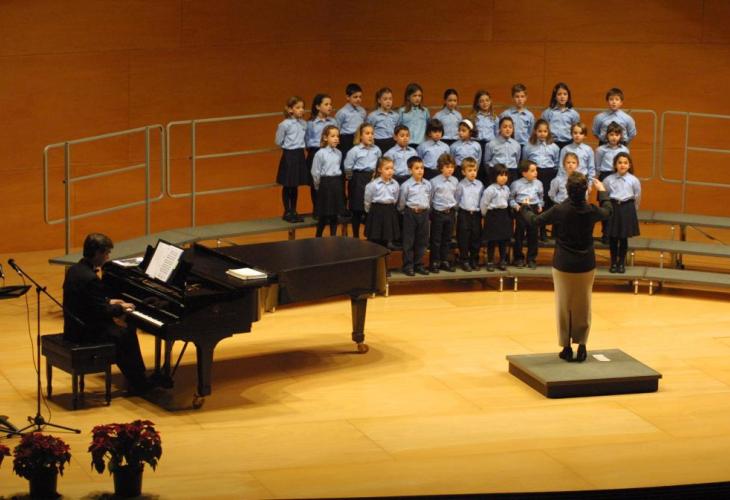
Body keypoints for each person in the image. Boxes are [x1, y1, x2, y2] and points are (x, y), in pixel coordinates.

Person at [520, 173, 612, 362]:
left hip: (564, 264)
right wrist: (602, 192)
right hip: (586, 264)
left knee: (563, 305)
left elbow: (535, 221)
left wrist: (525, 208)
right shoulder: (590, 210)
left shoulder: (560, 210)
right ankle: (583, 345)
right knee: (584, 304)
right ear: (586, 190)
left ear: (568, 190)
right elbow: (608, 211)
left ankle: (566, 347)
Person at [63, 233, 149, 394]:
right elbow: (101, 312)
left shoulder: (75, 270)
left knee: (123, 332)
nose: (108, 257)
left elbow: (87, 300)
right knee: (126, 334)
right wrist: (121, 308)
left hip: (73, 327)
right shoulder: (91, 278)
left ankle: (136, 379)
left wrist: (109, 300)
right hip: (85, 333)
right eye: (107, 253)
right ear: (97, 253)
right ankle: (139, 383)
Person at [604, 152, 641, 273]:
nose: (622, 165)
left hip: (627, 208)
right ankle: (613, 263)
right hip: (614, 207)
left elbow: (637, 196)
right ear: (615, 165)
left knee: (623, 238)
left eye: (625, 163)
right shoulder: (608, 180)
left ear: (629, 165)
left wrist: (633, 210)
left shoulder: (634, 180)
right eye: (619, 162)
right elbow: (605, 194)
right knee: (613, 238)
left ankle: (621, 263)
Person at [523, 118, 559, 240]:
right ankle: (530, 230)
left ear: (548, 132)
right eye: (540, 131)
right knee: (533, 200)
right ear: (535, 131)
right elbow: (525, 162)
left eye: (545, 131)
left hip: (548, 174)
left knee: (545, 203)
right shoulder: (528, 146)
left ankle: (543, 231)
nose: (542, 134)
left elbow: (556, 163)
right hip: (534, 174)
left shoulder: (554, 147)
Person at [344, 123, 382, 238]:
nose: (370, 136)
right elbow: (348, 168)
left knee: (371, 209)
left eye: (372, 133)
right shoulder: (354, 150)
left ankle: (371, 236)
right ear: (360, 136)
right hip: (358, 180)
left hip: (372, 179)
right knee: (357, 209)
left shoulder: (377, 150)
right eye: (367, 133)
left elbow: (380, 164)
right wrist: (352, 180)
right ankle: (356, 236)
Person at [275, 96, 309, 222]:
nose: (301, 110)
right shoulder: (284, 125)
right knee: (288, 184)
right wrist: (288, 147)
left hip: (300, 154)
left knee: (295, 185)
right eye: (297, 107)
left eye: (302, 107)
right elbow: (278, 141)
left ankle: (294, 210)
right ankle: (287, 211)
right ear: (290, 110)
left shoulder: (304, 124)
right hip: (289, 155)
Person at [595, 122, 630, 242]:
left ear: (620, 136)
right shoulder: (600, 150)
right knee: (604, 207)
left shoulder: (624, 149)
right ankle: (605, 233)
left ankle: (615, 233)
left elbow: (626, 165)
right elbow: (597, 167)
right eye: (611, 134)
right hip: (605, 177)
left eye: (617, 135)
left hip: (618, 176)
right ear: (607, 136)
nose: (614, 137)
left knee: (616, 207)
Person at [398, 157, 432, 276]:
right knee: (409, 241)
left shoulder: (428, 184)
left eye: (422, 168)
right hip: (410, 213)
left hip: (424, 213)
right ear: (410, 170)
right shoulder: (406, 185)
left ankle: (418, 264)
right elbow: (402, 202)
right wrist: (405, 212)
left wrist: (426, 209)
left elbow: (429, 198)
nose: (420, 170)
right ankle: (408, 266)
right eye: (416, 168)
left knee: (422, 241)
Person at [306, 94, 337, 216]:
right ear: (318, 106)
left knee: (329, 182)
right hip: (315, 153)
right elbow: (307, 141)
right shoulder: (311, 123)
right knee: (316, 183)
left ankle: (328, 210)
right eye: (326, 104)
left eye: (330, 104)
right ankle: (317, 210)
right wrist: (320, 145)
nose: (330, 107)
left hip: (330, 153)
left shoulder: (333, 121)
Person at [311, 125, 344, 237]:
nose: (336, 139)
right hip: (325, 184)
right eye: (333, 136)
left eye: (337, 136)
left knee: (335, 214)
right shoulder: (320, 154)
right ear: (325, 138)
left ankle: (333, 237)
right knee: (324, 214)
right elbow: (315, 172)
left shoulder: (339, 153)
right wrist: (318, 186)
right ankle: (318, 236)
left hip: (336, 183)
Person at [510, 160, 543, 269]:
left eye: (536, 170)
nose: (536, 172)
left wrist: (540, 205)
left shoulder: (538, 183)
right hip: (522, 208)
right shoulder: (516, 184)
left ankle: (531, 259)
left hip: (533, 208)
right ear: (524, 173)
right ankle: (518, 258)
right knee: (519, 234)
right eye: (532, 171)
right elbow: (511, 198)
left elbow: (541, 197)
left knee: (533, 234)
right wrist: (516, 206)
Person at [429, 153, 459, 273]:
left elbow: (456, 196)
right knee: (436, 239)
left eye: (452, 167)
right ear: (441, 167)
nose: (450, 169)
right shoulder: (434, 181)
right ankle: (434, 262)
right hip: (438, 213)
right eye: (447, 167)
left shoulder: (455, 181)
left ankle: (444, 260)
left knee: (447, 239)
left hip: (450, 212)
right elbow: (430, 198)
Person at [480, 164, 512, 271]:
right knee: (492, 240)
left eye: (505, 175)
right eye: (501, 175)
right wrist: (486, 215)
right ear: (494, 176)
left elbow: (507, 201)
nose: (504, 177)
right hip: (492, 216)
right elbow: (484, 204)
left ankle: (502, 260)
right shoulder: (490, 190)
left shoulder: (507, 189)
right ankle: (490, 261)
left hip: (504, 215)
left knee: (503, 240)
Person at [364, 157, 400, 248]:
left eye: (392, 168)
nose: (390, 171)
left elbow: (395, 198)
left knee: (387, 236)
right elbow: (368, 200)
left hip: (389, 211)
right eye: (387, 168)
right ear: (379, 170)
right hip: (376, 211)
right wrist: (369, 211)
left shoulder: (395, 184)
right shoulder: (373, 185)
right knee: (375, 238)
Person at [455, 157, 484, 271]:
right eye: (470, 170)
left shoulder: (480, 184)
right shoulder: (460, 185)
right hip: (464, 214)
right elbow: (457, 200)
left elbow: (482, 199)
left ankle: (474, 260)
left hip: (476, 214)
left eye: (475, 170)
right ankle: (464, 260)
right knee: (464, 238)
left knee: (476, 238)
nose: (473, 173)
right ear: (463, 172)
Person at [540, 82, 580, 149]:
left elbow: (576, 130)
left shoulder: (573, 114)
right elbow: (542, 128)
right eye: (559, 94)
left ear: (568, 96)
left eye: (565, 94)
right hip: (551, 143)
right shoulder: (547, 112)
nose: (562, 97)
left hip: (568, 143)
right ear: (555, 97)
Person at [483, 116, 522, 183]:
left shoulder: (517, 145)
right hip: (496, 172)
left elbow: (517, 160)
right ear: (499, 128)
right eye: (505, 127)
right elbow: (487, 162)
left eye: (510, 127)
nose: (508, 129)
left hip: (512, 172)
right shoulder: (491, 144)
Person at [470, 90, 498, 182]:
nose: (485, 103)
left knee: (488, 167)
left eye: (487, 100)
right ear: (477, 103)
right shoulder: (473, 117)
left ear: (490, 101)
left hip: (490, 145)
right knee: (477, 167)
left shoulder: (495, 118)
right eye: (481, 101)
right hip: (477, 144)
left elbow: (497, 134)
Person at [335, 83, 366, 161]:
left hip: (359, 139)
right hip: (346, 141)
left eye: (360, 97)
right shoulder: (342, 112)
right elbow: (337, 129)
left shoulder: (362, 111)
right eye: (355, 97)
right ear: (348, 97)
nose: (358, 99)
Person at [368, 87, 399, 154]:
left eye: (390, 99)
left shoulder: (395, 115)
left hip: (392, 143)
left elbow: (397, 130)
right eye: (385, 99)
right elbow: (368, 130)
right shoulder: (373, 116)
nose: (388, 101)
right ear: (379, 100)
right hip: (378, 143)